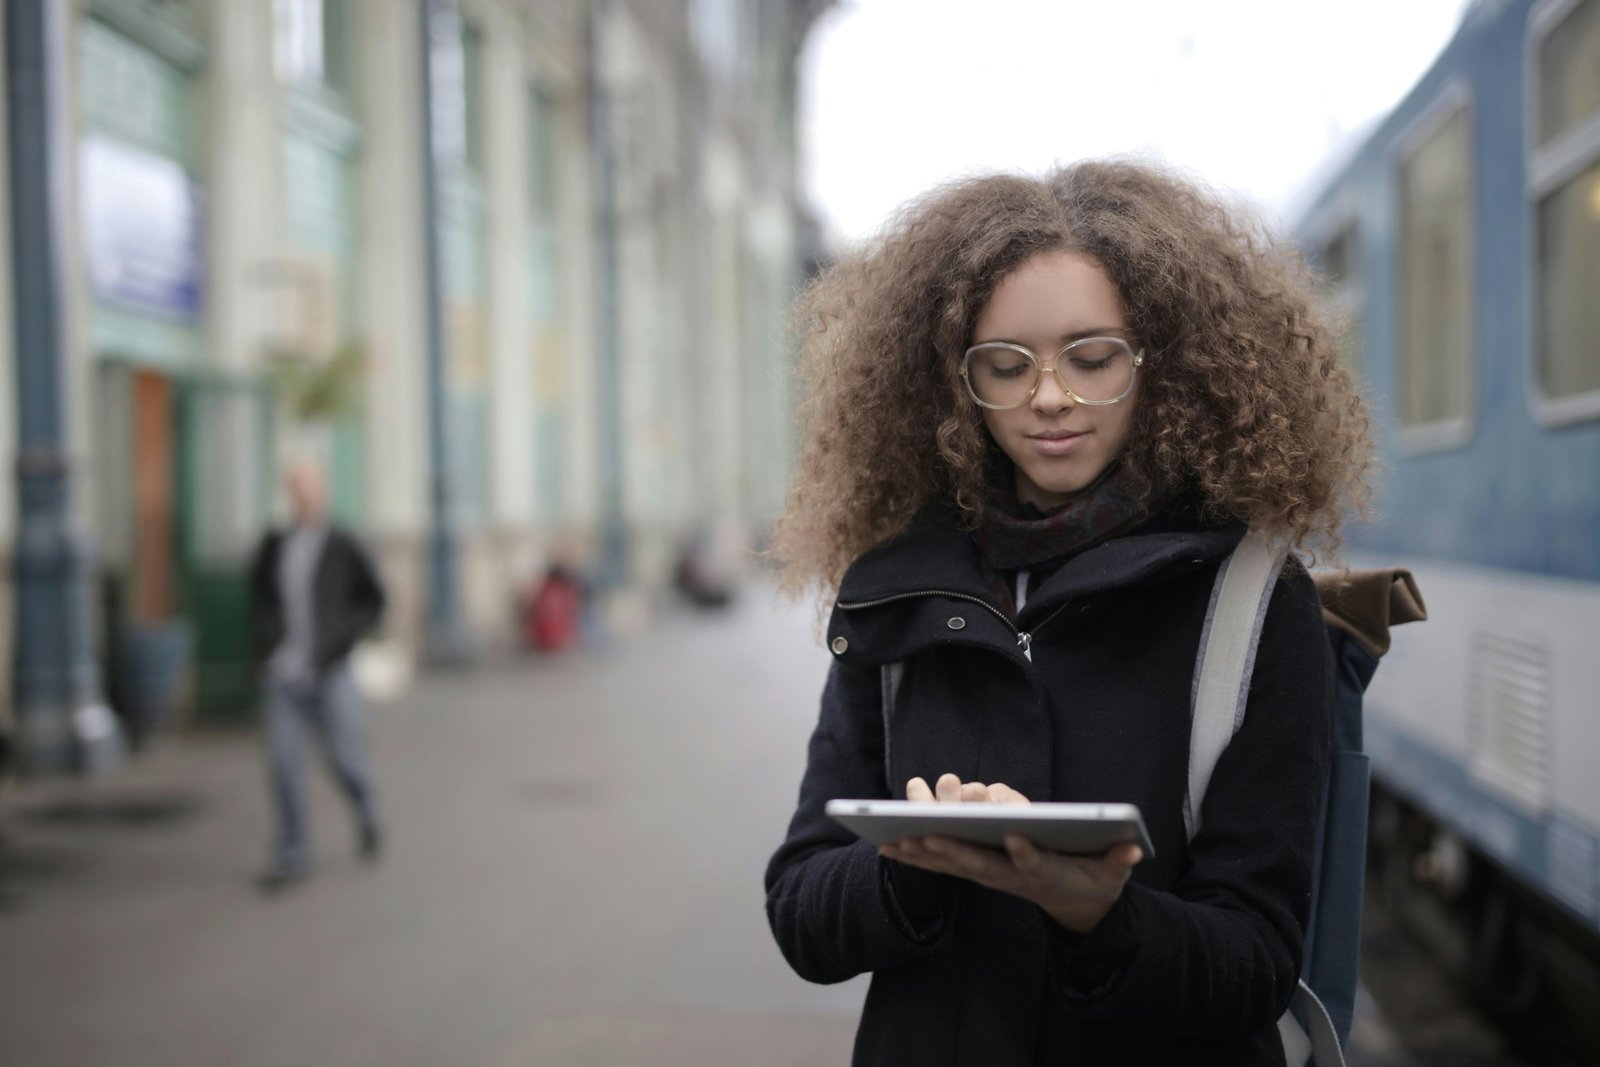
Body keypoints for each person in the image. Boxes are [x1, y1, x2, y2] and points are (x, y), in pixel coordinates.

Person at [764, 161, 1371, 1064]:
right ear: (949, 383)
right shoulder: (895, 588)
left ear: (1166, 364)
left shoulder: (1250, 601)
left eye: (1092, 359)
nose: (1049, 397)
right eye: (1005, 366)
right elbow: (802, 913)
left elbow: (1257, 962)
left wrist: (1100, 914)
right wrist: (908, 872)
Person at [249, 460, 387, 888]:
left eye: (309, 486)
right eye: (295, 487)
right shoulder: (275, 543)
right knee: (283, 764)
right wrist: (268, 644)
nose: (302, 495)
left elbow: (375, 600)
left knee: (344, 758)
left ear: (324, 489)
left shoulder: (344, 543)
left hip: (332, 671)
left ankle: (366, 810)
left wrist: (343, 638)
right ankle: (293, 852)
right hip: (284, 674)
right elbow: (257, 597)